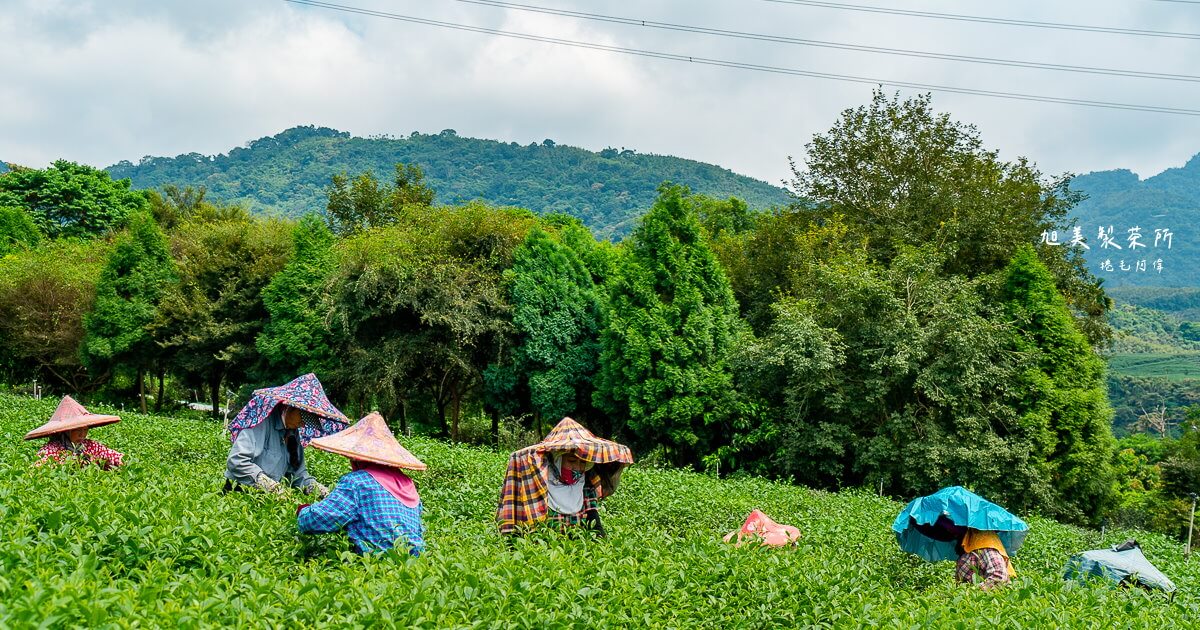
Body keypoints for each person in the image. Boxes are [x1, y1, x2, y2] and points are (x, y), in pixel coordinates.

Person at [296, 412, 426, 556]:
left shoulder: (357, 483)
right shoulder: (408, 484)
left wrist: (303, 511)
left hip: (376, 566)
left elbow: (316, 520)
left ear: (357, 458)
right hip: (414, 563)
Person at [497, 417, 633, 537]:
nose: (578, 468)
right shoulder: (538, 485)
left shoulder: (585, 486)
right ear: (557, 460)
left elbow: (595, 525)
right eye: (572, 461)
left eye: (583, 463)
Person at [224, 373, 350, 496]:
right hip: (239, 492)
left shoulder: (293, 433)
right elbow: (237, 461)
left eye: (307, 421)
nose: (303, 424)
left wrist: (317, 489)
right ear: (291, 407)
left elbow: (298, 474)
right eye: (302, 418)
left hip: (267, 498)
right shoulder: (261, 422)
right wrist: (266, 483)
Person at [25, 396, 124, 469]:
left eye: (85, 430)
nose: (82, 434)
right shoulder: (51, 450)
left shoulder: (90, 446)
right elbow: (37, 470)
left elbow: (116, 457)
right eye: (78, 430)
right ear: (66, 431)